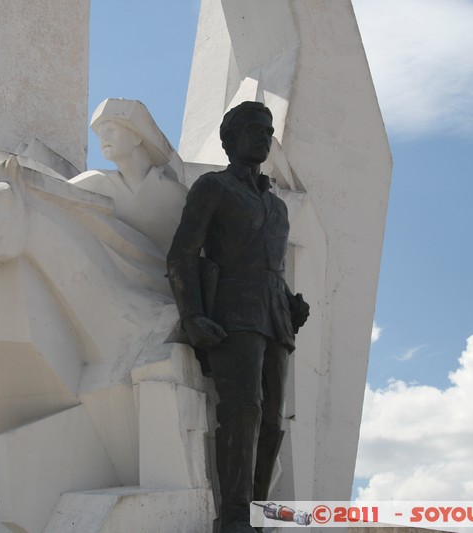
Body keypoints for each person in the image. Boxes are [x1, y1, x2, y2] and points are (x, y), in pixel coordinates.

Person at [167, 101, 309, 533]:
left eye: (268, 130)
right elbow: (182, 254)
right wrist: (191, 314)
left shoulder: (278, 207)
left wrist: (290, 301)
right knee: (242, 410)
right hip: (232, 311)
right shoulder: (213, 187)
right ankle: (233, 518)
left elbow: (271, 266)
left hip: (274, 318)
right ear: (229, 139)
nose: (263, 136)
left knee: (270, 420)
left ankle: (258, 517)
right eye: (253, 129)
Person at [70, 98, 187, 255]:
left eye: (110, 129)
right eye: (100, 133)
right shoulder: (94, 183)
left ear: (137, 136)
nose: (103, 137)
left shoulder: (175, 196)